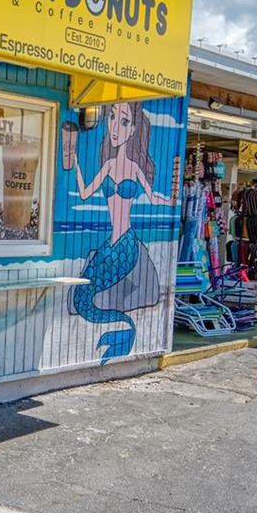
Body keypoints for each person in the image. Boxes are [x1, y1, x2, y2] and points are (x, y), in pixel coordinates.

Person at [69, 102, 172, 361]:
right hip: (110, 244)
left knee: (89, 296)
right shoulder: (108, 165)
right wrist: (76, 165)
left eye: (124, 121)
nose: (115, 127)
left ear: (133, 129)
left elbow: (152, 196)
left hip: (126, 243)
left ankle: (123, 327)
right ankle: (124, 327)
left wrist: (171, 200)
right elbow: (85, 193)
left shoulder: (134, 168)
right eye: (112, 117)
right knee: (82, 298)